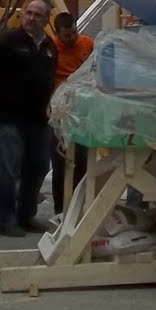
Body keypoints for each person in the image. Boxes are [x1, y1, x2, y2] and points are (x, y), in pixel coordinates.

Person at [0, 0, 58, 236]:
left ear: (46, 20)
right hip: (10, 119)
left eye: (37, 15)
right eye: (28, 13)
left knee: (38, 167)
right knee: (7, 171)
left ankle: (26, 215)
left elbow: (50, 78)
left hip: (39, 120)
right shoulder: (7, 41)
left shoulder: (49, 46)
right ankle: (5, 219)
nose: (31, 18)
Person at [49, 12, 94, 218]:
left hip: (82, 110)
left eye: (74, 32)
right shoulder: (52, 49)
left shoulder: (87, 44)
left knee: (83, 160)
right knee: (61, 162)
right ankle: (60, 209)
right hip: (61, 111)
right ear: (58, 34)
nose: (72, 38)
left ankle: (80, 205)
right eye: (67, 35)